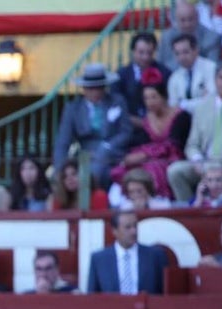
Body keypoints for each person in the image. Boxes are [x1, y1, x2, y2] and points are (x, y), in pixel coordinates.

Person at [167, 60, 222, 201]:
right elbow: (192, 144)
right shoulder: (202, 107)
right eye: (221, 78)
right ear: (215, 80)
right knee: (175, 171)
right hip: (205, 161)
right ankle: (189, 211)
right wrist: (196, 160)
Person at [109, 67, 192, 200]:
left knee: (153, 168)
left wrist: (144, 155)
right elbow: (144, 143)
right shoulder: (148, 120)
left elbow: (173, 145)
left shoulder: (180, 116)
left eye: (154, 97)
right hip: (151, 158)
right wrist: (134, 157)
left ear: (164, 97)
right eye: (146, 98)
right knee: (122, 169)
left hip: (173, 157)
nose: (150, 102)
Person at [53, 63, 134, 189]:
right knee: (81, 173)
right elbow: (63, 141)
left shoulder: (117, 101)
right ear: (84, 88)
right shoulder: (73, 109)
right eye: (91, 88)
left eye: (99, 88)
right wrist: (59, 168)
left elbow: (126, 132)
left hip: (114, 154)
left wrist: (107, 147)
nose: (96, 92)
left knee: (97, 172)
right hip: (87, 156)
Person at [87, 209, 169, 294]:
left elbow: (164, 294)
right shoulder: (99, 259)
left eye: (135, 226)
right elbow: (93, 297)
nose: (134, 231)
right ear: (115, 231)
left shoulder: (155, 256)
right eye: (128, 227)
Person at [113, 32, 171, 141]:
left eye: (149, 53)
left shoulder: (165, 73)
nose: (145, 57)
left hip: (158, 127)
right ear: (133, 51)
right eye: (141, 53)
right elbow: (116, 103)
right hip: (129, 128)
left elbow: (168, 102)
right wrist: (131, 120)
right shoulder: (121, 75)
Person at [157, 1, 222, 70]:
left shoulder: (212, 38)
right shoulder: (166, 37)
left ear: (197, 17)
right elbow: (160, 65)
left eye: (190, 19)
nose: (187, 24)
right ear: (176, 20)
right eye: (183, 20)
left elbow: (212, 67)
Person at [167, 32, 218, 115]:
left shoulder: (211, 68)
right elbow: (173, 107)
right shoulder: (174, 77)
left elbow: (212, 100)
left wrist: (183, 104)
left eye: (185, 52)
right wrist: (199, 100)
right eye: (177, 54)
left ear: (196, 50)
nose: (181, 57)